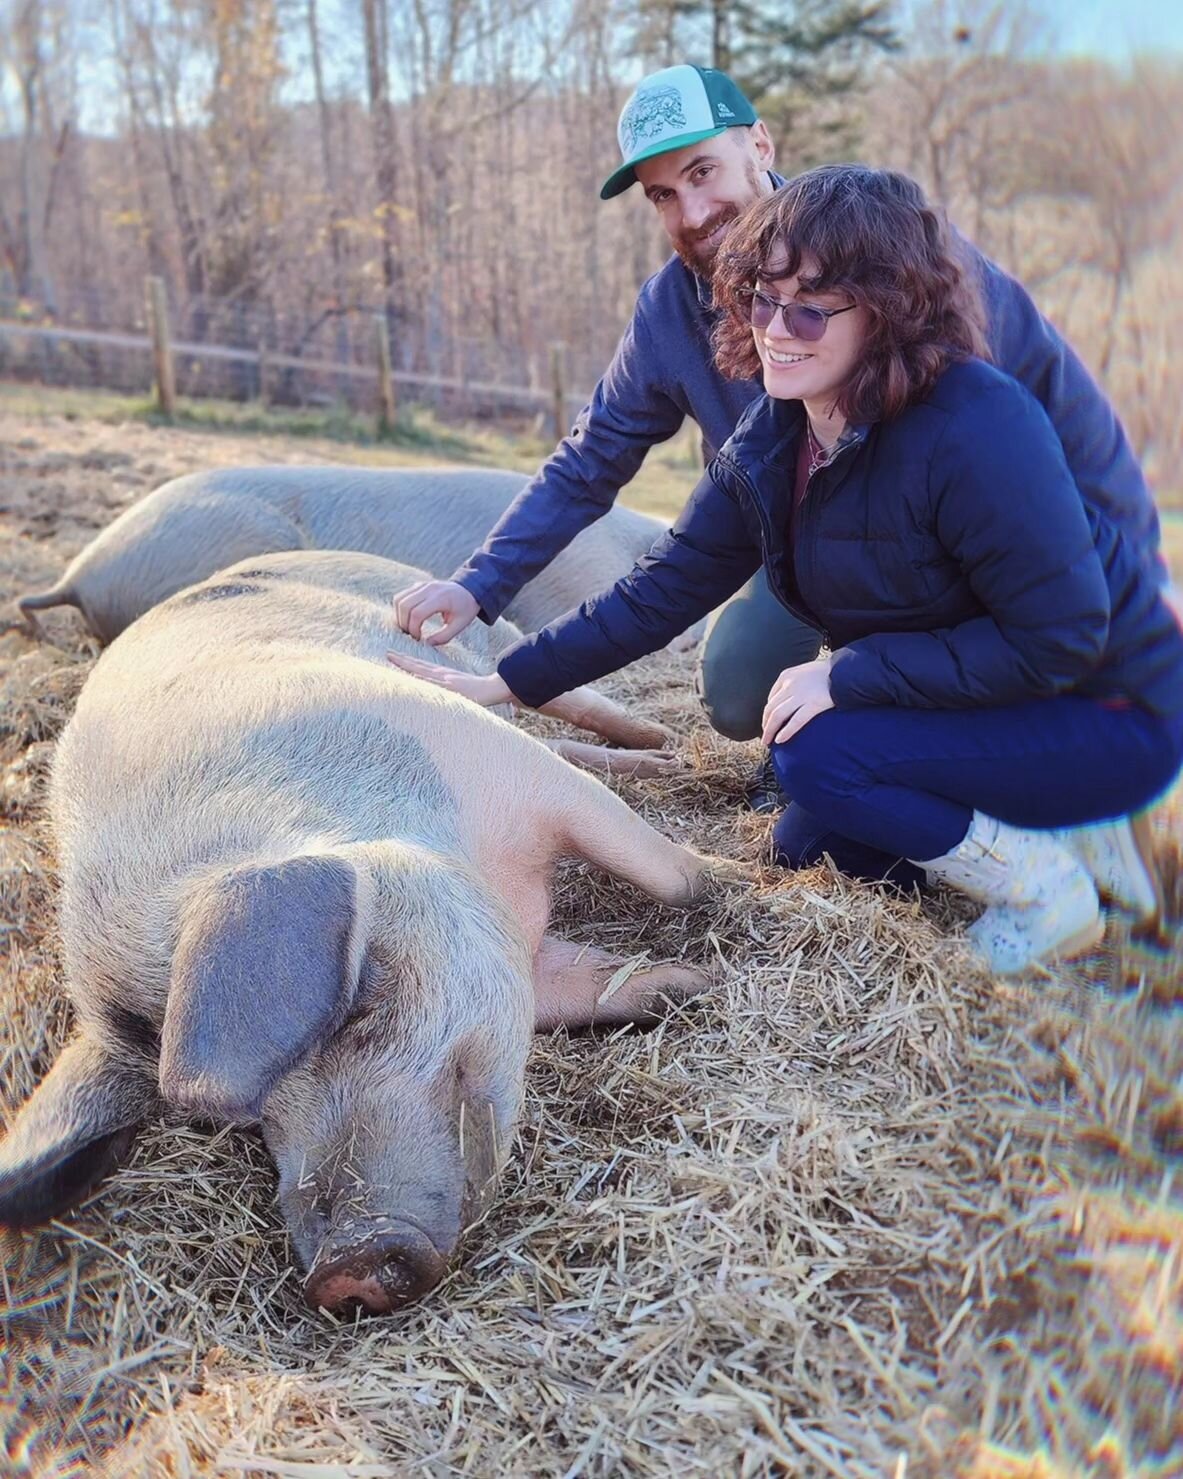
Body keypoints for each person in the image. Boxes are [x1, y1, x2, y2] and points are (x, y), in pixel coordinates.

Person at [388, 165, 1183, 977]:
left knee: (823, 751)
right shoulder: (782, 427)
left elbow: (1061, 639)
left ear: (888, 310)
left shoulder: (975, 423)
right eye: (762, 300)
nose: (776, 329)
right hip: (998, 689)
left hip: (1109, 705)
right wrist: (508, 682)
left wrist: (850, 671)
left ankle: (1045, 887)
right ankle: (1049, 826)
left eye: (809, 308)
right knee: (811, 840)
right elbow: (665, 584)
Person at [392, 64, 1173, 813]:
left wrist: (1129, 563)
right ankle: (858, 752)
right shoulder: (670, 313)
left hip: (979, 541)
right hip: (820, 537)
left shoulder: (887, 248)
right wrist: (480, 588)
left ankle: (974, 770)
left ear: (758, 146)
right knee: (736, 688)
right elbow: (592, 461)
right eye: (662, 195)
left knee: (976, 671)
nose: (691, 214)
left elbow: (1037, 431)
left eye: (702, 173)